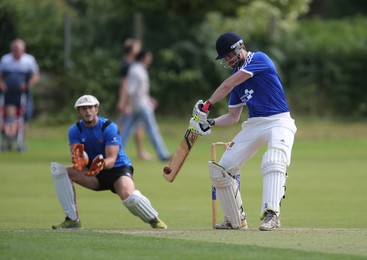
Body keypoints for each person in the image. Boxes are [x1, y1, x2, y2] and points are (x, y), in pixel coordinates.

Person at [189, 32, 297, 231]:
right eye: (225, 57)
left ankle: (272, 215)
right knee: (223, 168)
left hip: (279, 121)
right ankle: (234, 219)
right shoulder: (236, 79)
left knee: (274, 160)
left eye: (230, 55)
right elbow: (233, 117)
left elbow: (228, 85)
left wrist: (207, 106)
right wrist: (209, 122)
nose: (229, 60)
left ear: (240, 47)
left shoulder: (259, 59)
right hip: (254, 124)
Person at [50, 94, 167, 229]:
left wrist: (100, 164)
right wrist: (79, 162)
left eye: (90, 107)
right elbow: (77, 155)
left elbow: (111, 160)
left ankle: (153, 219)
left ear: (96, 109)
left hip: (117, 170)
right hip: (93, 174)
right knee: (61, 172)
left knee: (130, 197)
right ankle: (72, 220)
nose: (87, 111)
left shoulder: (108, 127)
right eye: (83, 108)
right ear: (78, 112)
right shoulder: (74, 130)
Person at [120, 49, 171, 161]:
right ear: (142, 57)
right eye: (148, 57)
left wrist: (149, 99)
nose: (150, 59)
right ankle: (162, 154)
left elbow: (141, 91)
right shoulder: (135, 70)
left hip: (139, 105)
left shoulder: (140, 69)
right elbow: (130, 90)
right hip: (139, 107)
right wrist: (127, 105)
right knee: (152, 130)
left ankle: (116, 153)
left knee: (126, 131)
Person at [0, 38, 40, 151]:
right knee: (7, 118)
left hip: (24, 94)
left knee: (24, 117)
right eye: (15, 49)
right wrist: (1, 84)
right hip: (8, 94)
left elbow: (36, 76)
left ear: (23, 50)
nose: (17, 51)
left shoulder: (29, 60)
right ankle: (6, 140)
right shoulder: (6, 60)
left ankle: (21, 142)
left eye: (19, 49)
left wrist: (27, 84)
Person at [117, 39, 152, 160]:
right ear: (131, 51)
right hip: (130, 103)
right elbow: (125, 85)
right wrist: (124, 103)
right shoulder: (127, 65)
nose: (140, 50)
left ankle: (140, 151)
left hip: (134, 102)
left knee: (135, 127)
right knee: (122, 127)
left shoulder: (134, 64)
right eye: (137, 48)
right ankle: (114, 150)